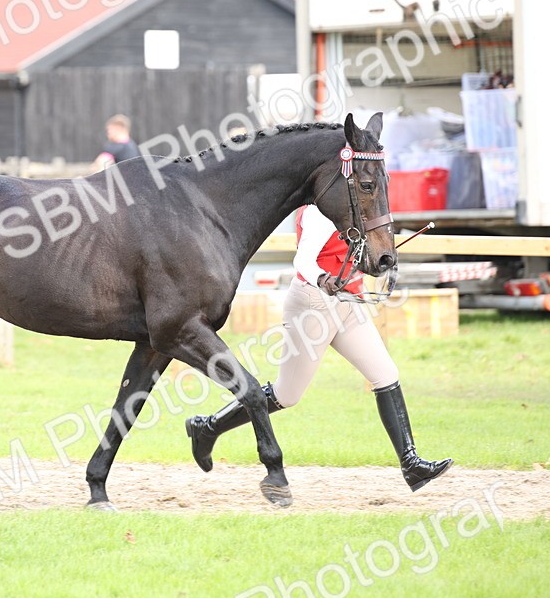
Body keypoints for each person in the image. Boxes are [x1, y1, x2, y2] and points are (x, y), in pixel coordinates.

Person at [185, 204, 453, 492]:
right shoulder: (319, 212)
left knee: (385, 374)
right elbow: (303, 261)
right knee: (287, 395)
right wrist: (325, 279)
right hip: (313, 305)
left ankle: (411, 465)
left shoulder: (352, 207)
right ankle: (208, 427)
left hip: (348, 302)